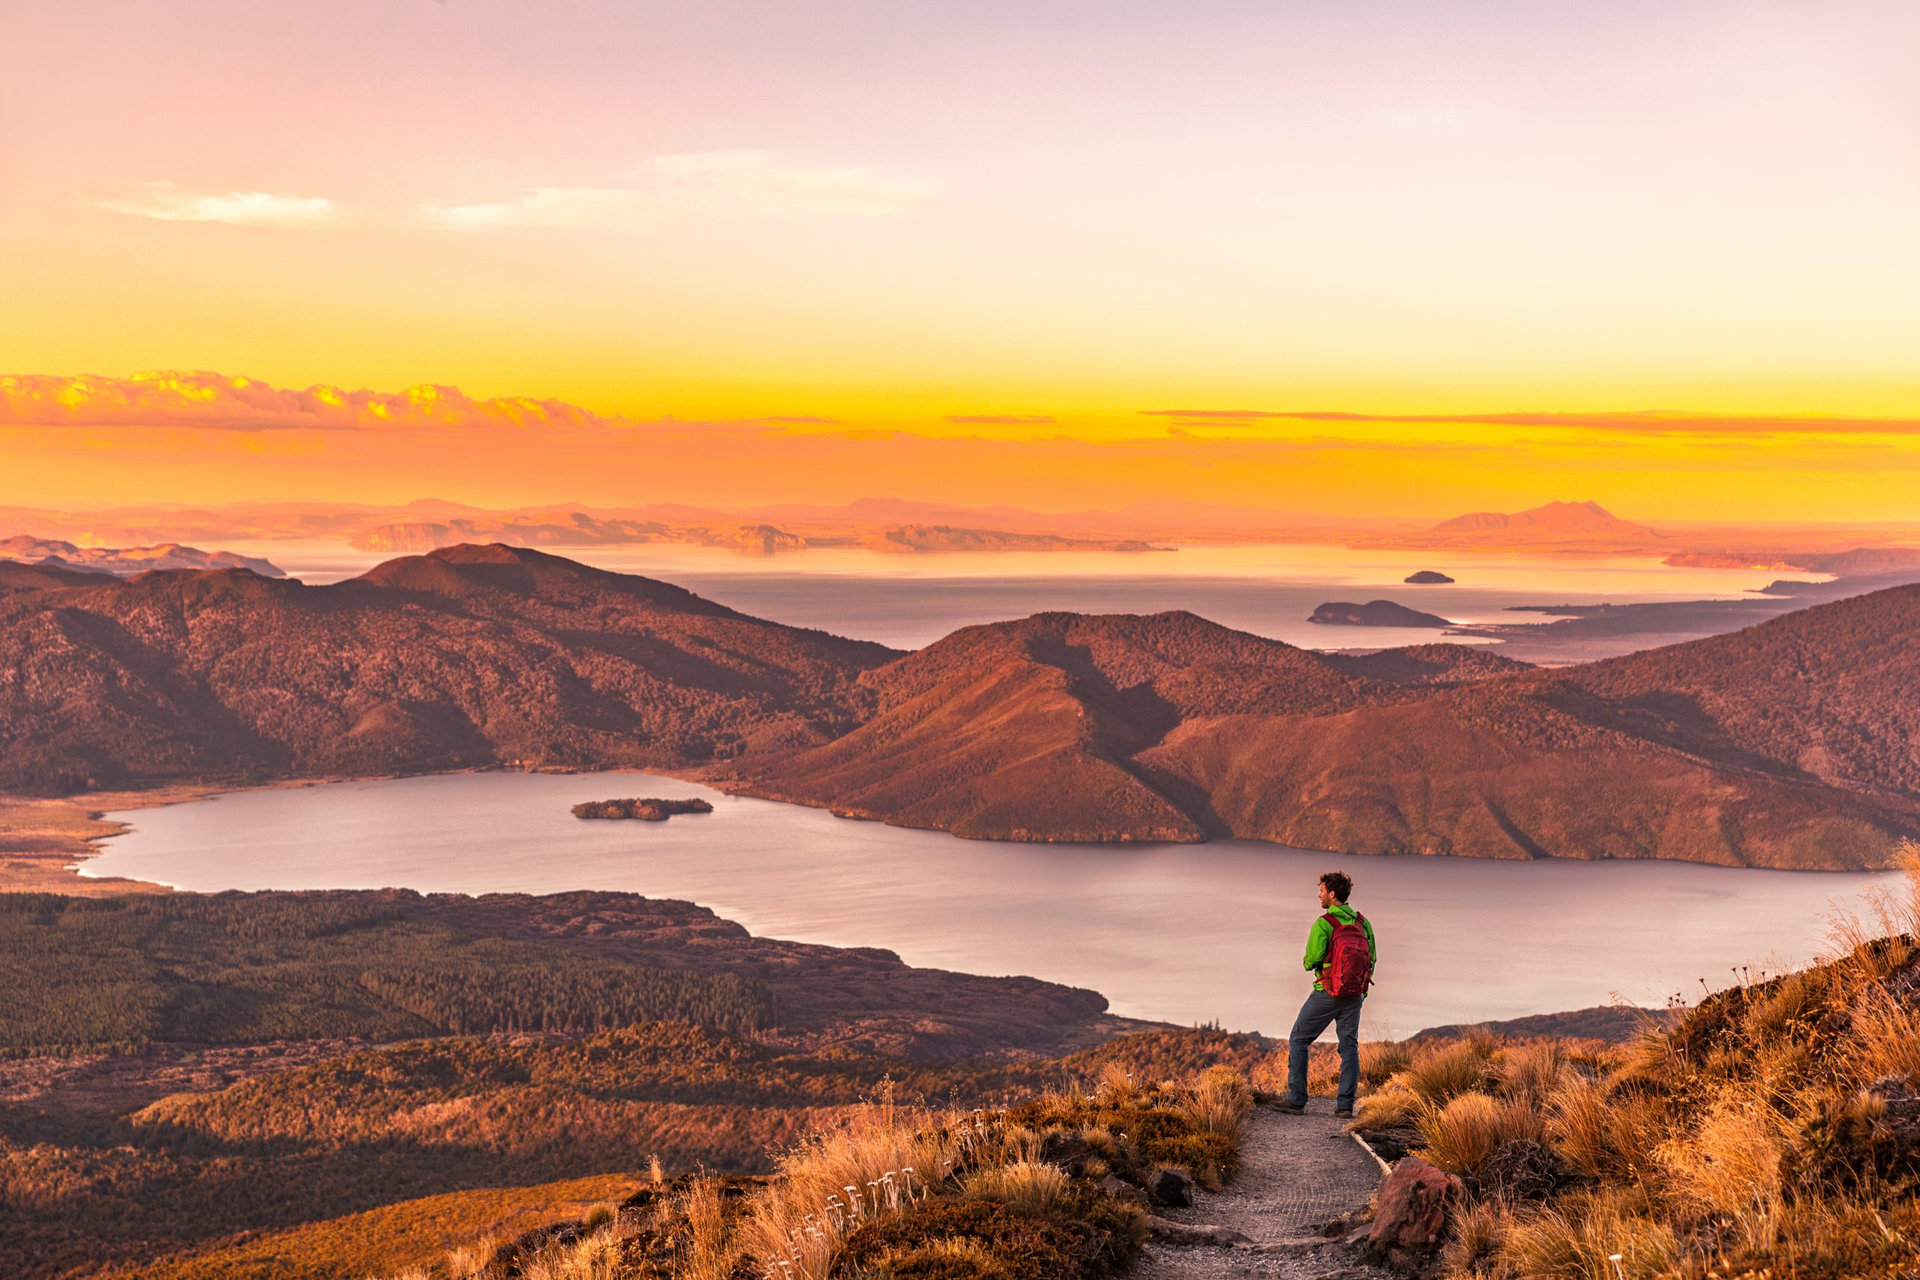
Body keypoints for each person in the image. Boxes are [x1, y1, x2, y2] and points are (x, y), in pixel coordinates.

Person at [1273, 870, 1376, 1119]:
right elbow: (1372, 958)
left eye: (1321, 891)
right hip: (1354, 995)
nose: (1318, 895)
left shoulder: (1324, 923)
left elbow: (1311, 961)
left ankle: (1296, 1100)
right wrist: (1359, 991)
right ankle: (1344, 1107)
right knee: (1349, 1046)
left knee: (1299, 1039)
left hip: (1327, 992)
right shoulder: (1363, 922)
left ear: (1331, 894)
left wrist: (1310, 960)